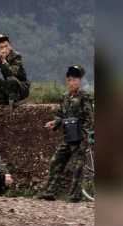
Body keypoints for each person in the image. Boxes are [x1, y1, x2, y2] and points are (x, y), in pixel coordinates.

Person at [36, 65, 93, 203]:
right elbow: (60, 116)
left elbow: (89, 118)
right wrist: (54, 123)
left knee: (78, 166)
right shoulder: (65, 97)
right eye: (68, 80)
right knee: (56, 161)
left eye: (73, 80)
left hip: (79, 137)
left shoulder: (84, 97)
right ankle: (50, 192)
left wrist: (83, 136)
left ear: (79, 81)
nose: (71, 83)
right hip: (68, 137)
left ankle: (75, 195)